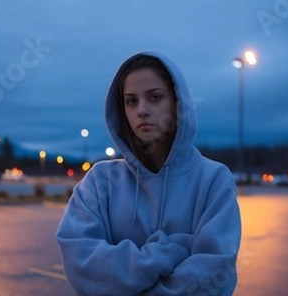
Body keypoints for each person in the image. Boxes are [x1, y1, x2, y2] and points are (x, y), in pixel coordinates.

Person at [55, 51, 242, 295]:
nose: (141, 110)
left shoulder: (213, 180)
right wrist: (172, 251)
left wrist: (121, 271)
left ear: (178, 104)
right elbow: (80, 262)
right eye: (131, 101)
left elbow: (214, 276)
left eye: (155, 97)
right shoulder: (100, 181)